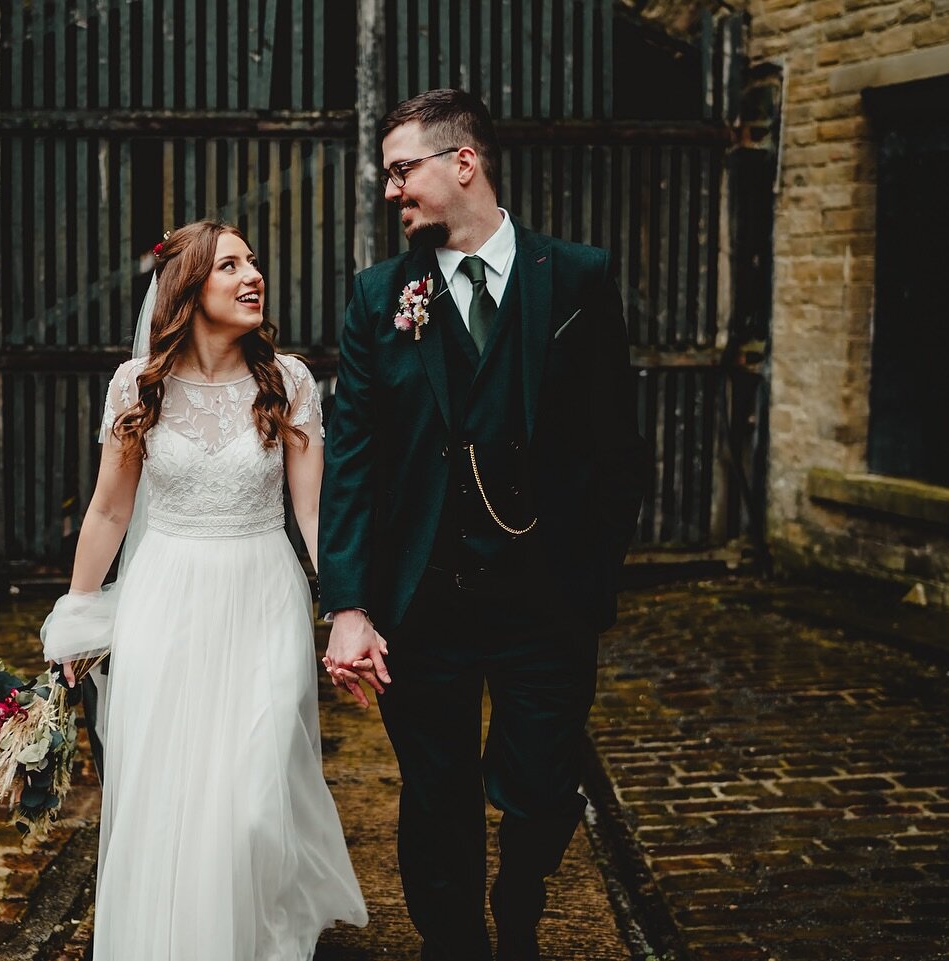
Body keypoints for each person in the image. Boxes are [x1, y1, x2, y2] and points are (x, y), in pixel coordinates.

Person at [318, 88, 648, 961]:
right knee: (437, 796)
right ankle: (455, 942)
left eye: (401, 171)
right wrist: (348, 601)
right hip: (424, 601)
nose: (390, 191)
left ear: (464, 162)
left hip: (549, 602)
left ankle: (523, 891)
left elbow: (620, 447)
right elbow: (352, 457)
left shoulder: (577, 277)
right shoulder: (379, 296)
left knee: (542, 788)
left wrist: (594, 581)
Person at [42, 220, 367, 960]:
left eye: (253, 260)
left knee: (256, 798)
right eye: (230, 264)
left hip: (262, 596)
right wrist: (78, 618)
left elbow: (313, 512)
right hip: (166, 599)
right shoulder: (138, 387)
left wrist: (346, 606)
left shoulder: (288, 381)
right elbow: (110, 509)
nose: (252, 274)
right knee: (172, 791)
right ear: (189, 289)